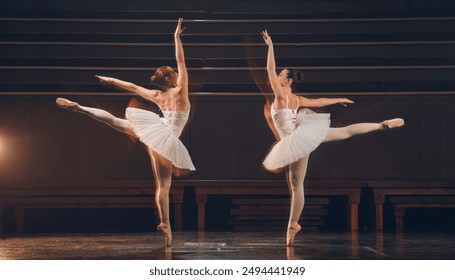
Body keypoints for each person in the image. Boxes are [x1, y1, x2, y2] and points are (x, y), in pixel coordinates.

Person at [55, 18, 194, 247]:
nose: (178, 73)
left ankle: (79, 107)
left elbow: (132, 87)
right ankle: (166, 224)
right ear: (170, 78)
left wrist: (111, 80)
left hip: (154, 129)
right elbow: (181, 59)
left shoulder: (157, 95)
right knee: (164, 186)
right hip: (165, 138)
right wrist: (177, 36)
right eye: (174, 72)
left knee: (114, 122)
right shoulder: (181, 90)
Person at [260, 30, 404, 246]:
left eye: (281, 75)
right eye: (279, 74)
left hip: (295, 141)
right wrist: (338, 99)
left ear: (287, 81)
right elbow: (318, 101)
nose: (277, 76)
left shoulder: (281, 96)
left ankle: (293, 225)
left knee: (296, 186)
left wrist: (270, 46)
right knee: (344, 132)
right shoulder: (296, 99)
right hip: (301, 136)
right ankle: (380, 125)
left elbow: (269, 68)